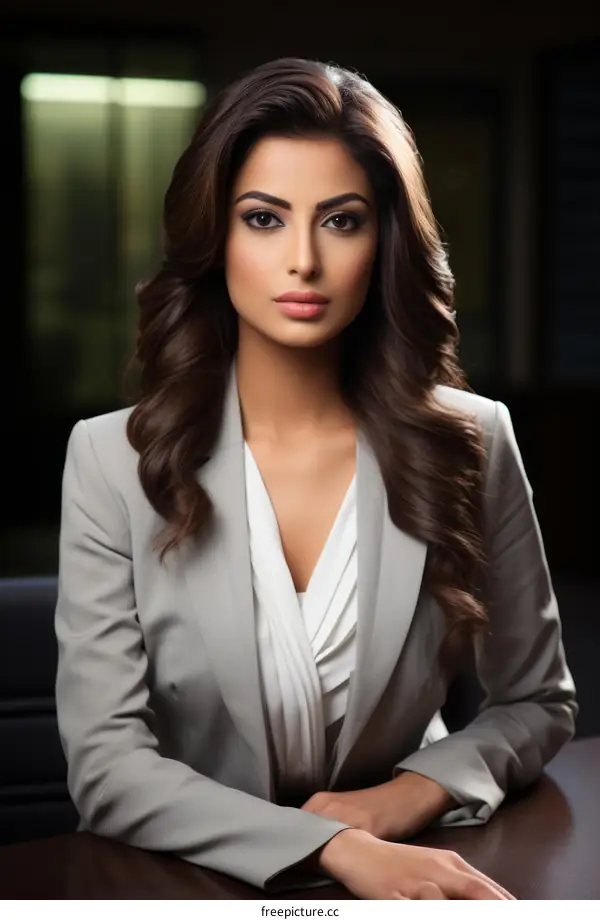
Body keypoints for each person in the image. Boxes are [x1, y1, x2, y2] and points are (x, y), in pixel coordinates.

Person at [54, 57, 577, 900]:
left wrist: (407, 798)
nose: (302, 259)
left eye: (341, 221)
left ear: (386, 240)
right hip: (180, 883)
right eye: (263, 219)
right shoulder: (111, 459)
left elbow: (537, 702)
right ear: (214, 237)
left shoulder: (472, 440)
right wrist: (333, 844)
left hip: (416, 868)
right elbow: (107, 766)